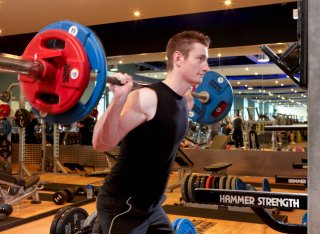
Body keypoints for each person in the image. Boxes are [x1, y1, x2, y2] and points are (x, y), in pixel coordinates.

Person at [92, 31, 211, 234]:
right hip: (123, 205)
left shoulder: (187, 100)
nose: (206, 68)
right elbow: (100, 144)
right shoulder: (146, 98)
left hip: (151, 206)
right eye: (200, 59)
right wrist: (118, 101)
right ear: (178, 59)